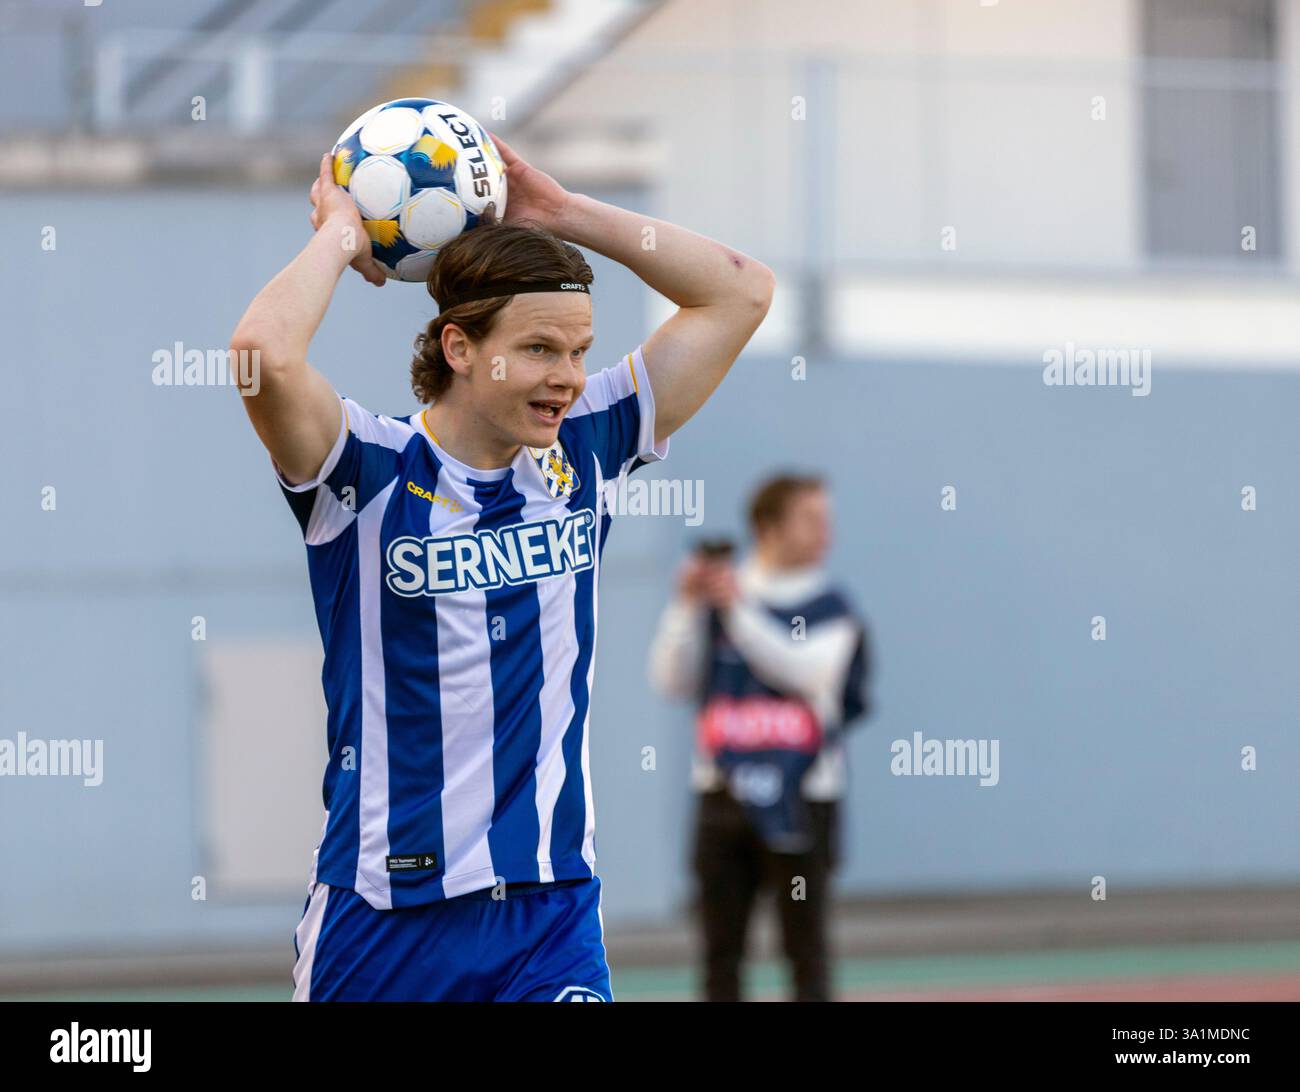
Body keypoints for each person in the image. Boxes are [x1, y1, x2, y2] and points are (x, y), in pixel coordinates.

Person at [229, 135, 774, 1001]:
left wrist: (563, 213)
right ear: (457, 348)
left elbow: (741, 291)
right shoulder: (365, 470)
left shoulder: (587, 447)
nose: (568, 378)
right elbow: (262, 352)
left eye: (580, 351)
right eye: (540, 350)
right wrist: (339, 234)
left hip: (548, 913)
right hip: (383, 914)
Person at [649, 474, 870, 1001]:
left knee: (806, 951)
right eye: (811, 519)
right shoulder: (715, 597)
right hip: (722, 796)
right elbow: (670, 680)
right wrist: (686, 605)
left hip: (803, 797)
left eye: (827, 519)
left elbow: (806, 672)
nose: (825, 532)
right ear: (768, 527)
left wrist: (736, 611)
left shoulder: (832, 606)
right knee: (720, 954)